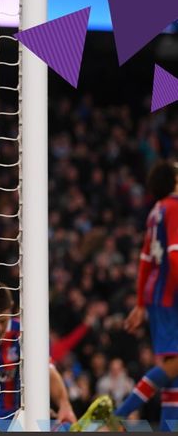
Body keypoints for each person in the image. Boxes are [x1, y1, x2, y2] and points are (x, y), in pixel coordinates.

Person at [0, 283, 113, 432]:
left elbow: (48, 370)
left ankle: (78, 428)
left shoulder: (23, 333)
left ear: (12, 309)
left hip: (15, 415)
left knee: (57, 425)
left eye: (2, 321)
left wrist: (64, 403)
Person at [110, 160, 178, 431]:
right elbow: (174, 253)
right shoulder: (174, 207)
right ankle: (118, 415)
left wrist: (140, 303)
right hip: (171, 294)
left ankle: (168, 429)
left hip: (159, 294)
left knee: (173, 373)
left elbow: (145, 260)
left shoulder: (156, 211)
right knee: (174, 366)